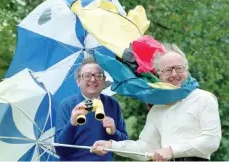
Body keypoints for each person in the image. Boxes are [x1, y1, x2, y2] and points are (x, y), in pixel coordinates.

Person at [91, 44, 222, 161]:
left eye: (179, 68)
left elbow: (211, 141)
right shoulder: (157, 108)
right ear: (160, 76)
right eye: (168, 70)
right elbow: (145, 147)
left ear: (186, 70)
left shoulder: (204, 98)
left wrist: (171, 151)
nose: (174, 74)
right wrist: (111, 145)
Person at [54, 58, 128, 161]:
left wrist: (114, 132)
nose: (93, 79)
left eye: (98, 75)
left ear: (103, 81)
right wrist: (72, 124)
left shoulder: (112, 104)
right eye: (87, 75)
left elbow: (125, 144)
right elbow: (60, 150)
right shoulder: (67, 105)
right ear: (78, 82)